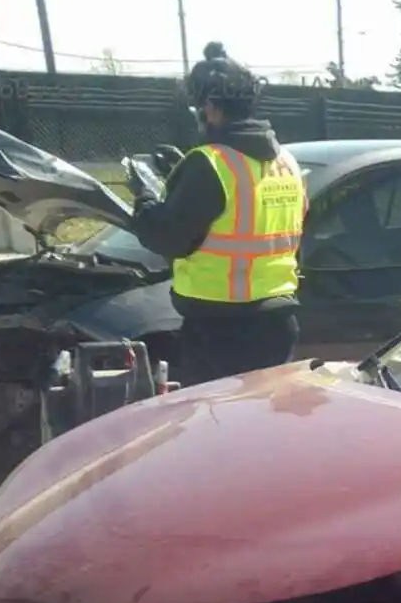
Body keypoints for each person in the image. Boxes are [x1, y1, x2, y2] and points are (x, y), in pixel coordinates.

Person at [128, 42, 307, 385]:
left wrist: (145, 198)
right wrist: (181, 179)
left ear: (210, 108)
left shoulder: (209, 165)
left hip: (219, 332)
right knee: (263, 429)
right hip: (278, 323)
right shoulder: (287, 162)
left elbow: (167, 237)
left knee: (218, 432)